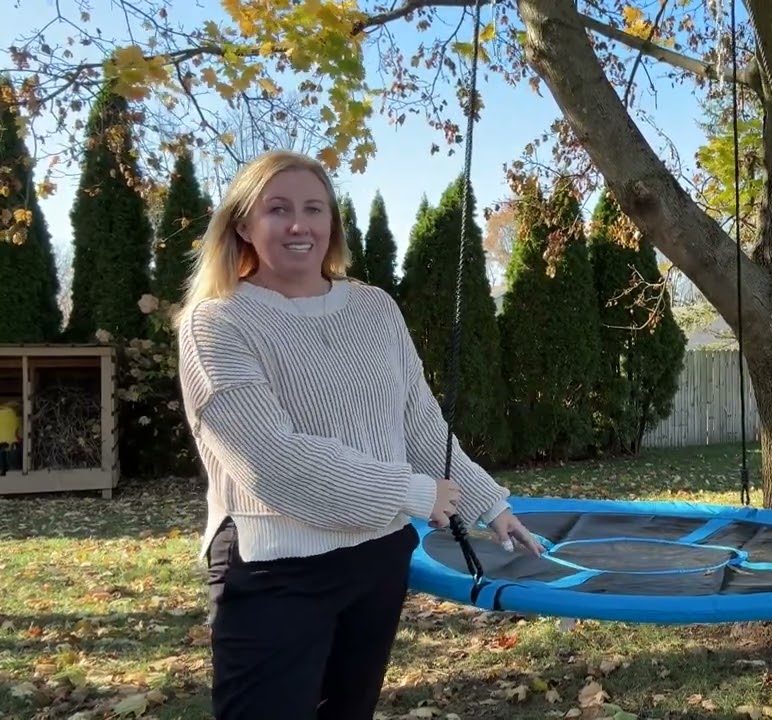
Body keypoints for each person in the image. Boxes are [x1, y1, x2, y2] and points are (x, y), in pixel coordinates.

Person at [174, 149, 542, 720]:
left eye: (314, 209)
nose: (300, 225)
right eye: (278, 209)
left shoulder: (374, 308)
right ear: (243, 225)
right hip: (276, 566)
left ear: (332, 224)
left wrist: (490, 505)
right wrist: (412, 494)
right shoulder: (215, 321)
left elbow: (419, 424)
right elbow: (271, 462)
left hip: (376, 556)